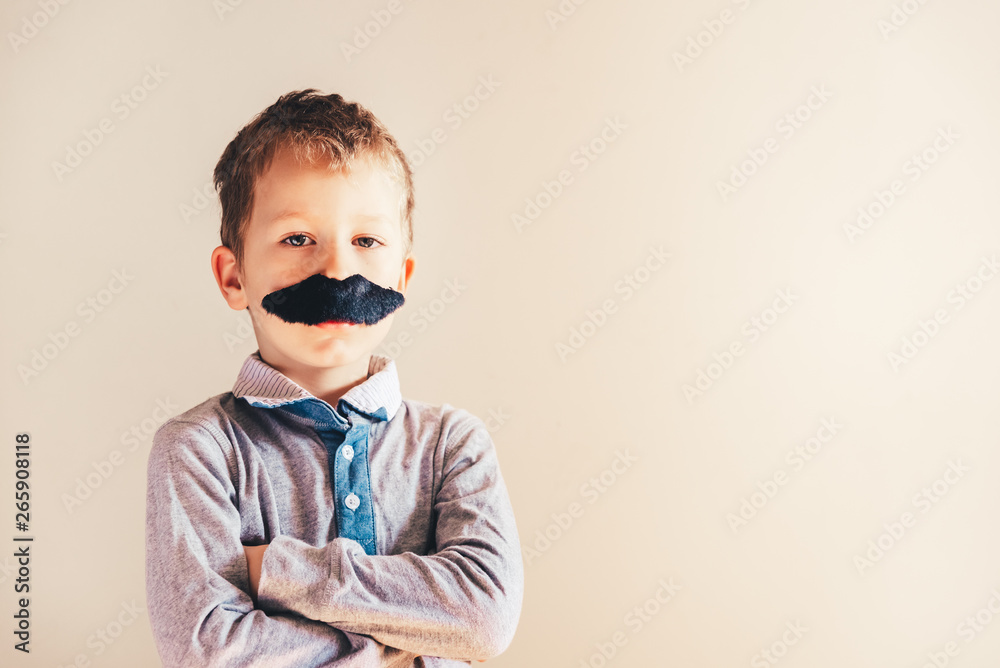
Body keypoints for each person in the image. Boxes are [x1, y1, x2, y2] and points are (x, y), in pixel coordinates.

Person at [144, 89, 523, 667]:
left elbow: (485, 618)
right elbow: (209, 654)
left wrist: (274, 567)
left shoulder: (452, 445)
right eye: (297, 239)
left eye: (366, 241)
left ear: (402, 276)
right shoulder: (199, 450)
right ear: (233, 277)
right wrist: (396, 647)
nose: (339, 270)